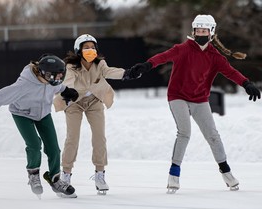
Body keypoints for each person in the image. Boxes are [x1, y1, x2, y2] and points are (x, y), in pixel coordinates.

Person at [129, 15, 261, 193]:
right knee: (184, 132)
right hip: (178, 96)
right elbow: (163, 56)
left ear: (211, 33)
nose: (200, 33)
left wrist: (246, 83)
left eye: (204, 31)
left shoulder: (215, 56)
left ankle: (226, 172)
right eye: (198, 30)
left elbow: (231, 72)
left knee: (213, 135)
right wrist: (147, 65)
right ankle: (174, 175)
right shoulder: (183, 49)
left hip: (199, 99)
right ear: (193, 31)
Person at [0, 54, 79, 199]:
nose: (57, 80)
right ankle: (33, 175)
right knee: (35, 144)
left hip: (43, 114)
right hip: (22, 114)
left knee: (53, 147)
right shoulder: (24, 84)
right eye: (55, 77)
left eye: (60, 77)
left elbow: (57, 85)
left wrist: (66, 90)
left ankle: (55, 180)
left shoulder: (51, 81)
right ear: (44, 73)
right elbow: (1, 96)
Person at [53, 34, 142, 195]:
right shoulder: (71, 67)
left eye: (92, 47)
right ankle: (66, 175)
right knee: (72, 137)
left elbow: (109, 72)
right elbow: (68, 81)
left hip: (94, 101)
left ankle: (100, 174)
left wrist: (127, 73)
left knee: (99, 136)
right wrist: (68, 92)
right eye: (86, 47)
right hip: (74, 102)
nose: (90, 50)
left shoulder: (99, 64)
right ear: (78, 50)